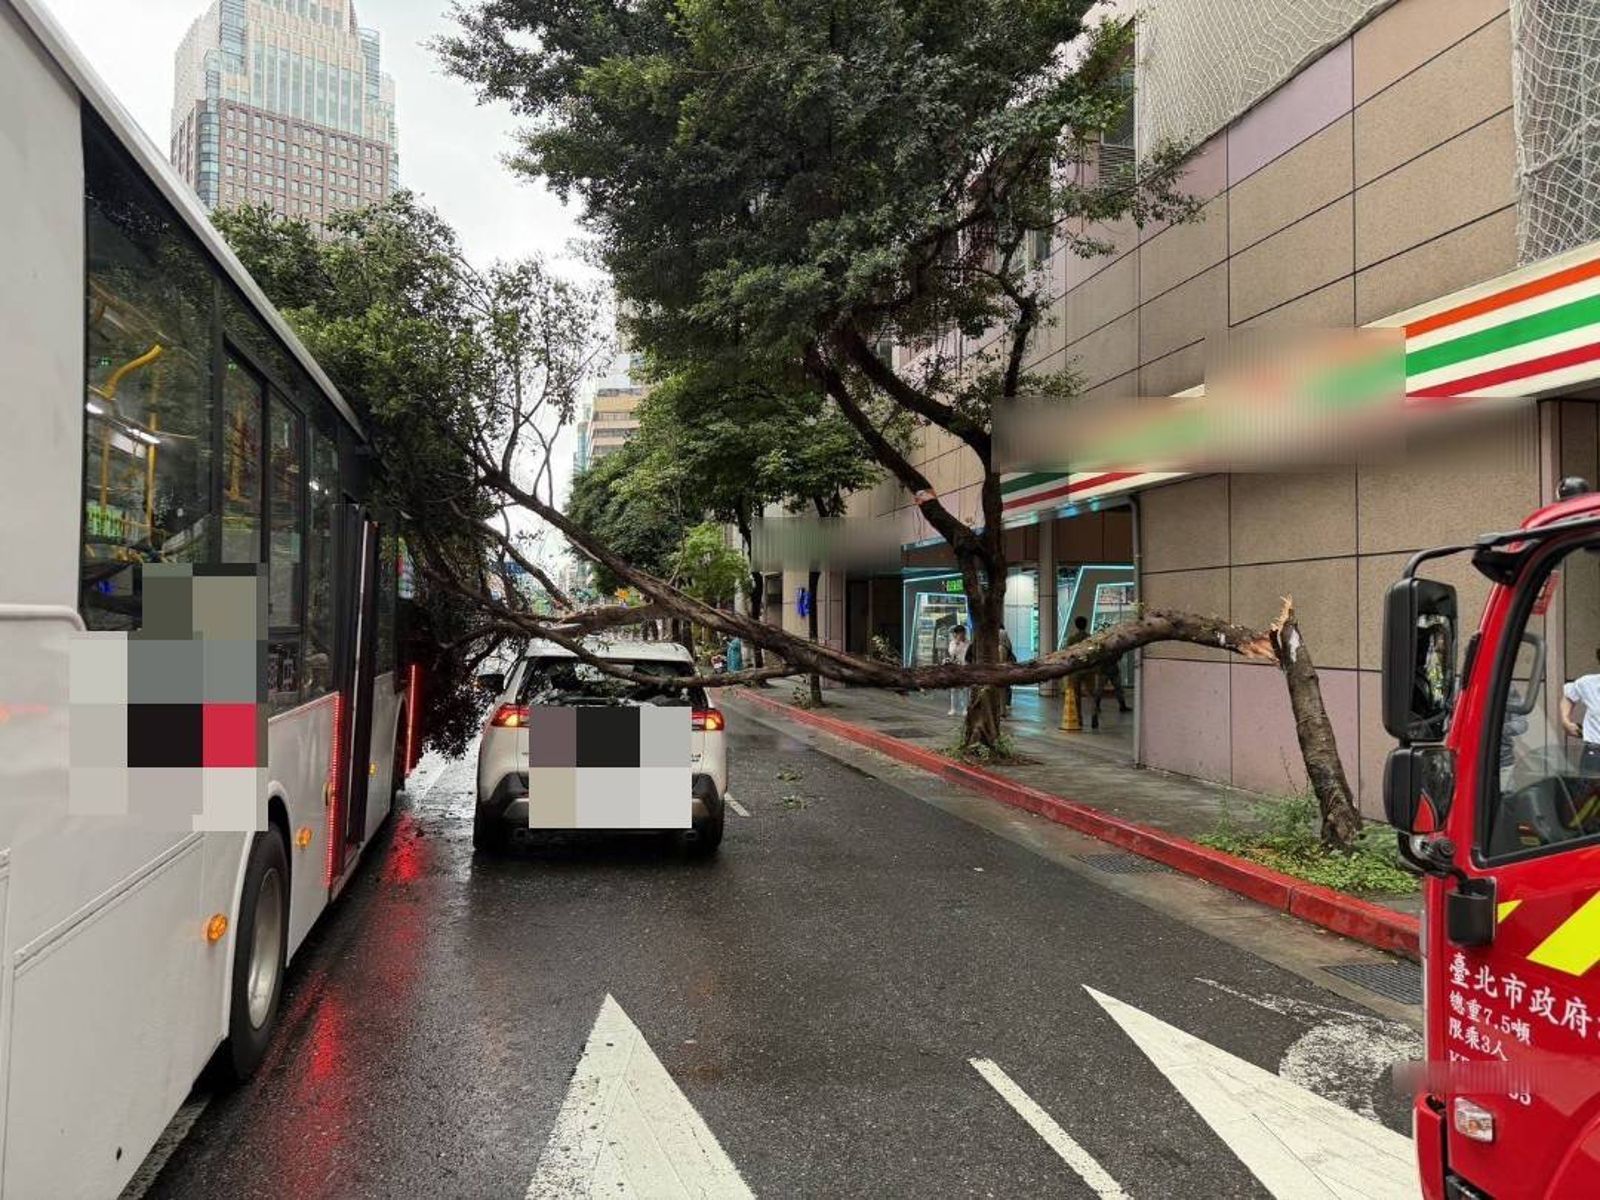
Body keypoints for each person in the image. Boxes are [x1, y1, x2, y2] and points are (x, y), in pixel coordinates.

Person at [1561, 649, 1600, 776]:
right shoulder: (1588, 683)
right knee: (1589, 788)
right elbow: (1569, 696)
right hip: (1595, 752)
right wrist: (1566, 721)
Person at [1065, 615, 1100, 729]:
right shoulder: (1091, 639)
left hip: (1075, 670)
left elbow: (1068, 654)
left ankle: (1079, 719)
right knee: (1091, 694)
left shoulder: (1071, 639)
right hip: (1089, 669)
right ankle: (1094, 716)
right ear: (1086, 625)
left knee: (1076, 695)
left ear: (1076, 625)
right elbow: (1094, 654)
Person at [947, 624, 970, 716]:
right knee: (954, 689)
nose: (962, 635)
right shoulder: (952, 643)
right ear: (956, 634)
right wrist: (957, 643)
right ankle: (953, 708)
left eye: (963, 633)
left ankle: (965, 709)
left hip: (965, 667)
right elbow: (951, 653)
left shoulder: (969, 643)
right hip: (955, 667)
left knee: (965, 689)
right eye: (960, 634)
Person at [998, 626, 1016, 716]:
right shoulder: (1004, 647)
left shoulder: (999, 648)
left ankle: (1000, 710)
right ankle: (1003, 709)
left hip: (997, 672)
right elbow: (1010, 646)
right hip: (1004, 671)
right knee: (1004, 688)